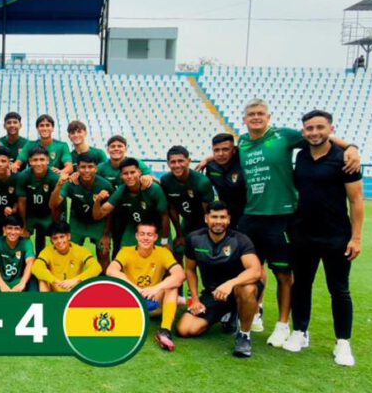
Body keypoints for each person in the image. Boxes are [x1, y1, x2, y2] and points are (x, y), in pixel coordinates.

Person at [228, 98, 360, 347]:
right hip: (252, 215)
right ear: (244, 119)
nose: (256, 117)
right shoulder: (243, 142)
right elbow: (227, 157)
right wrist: (206, 159)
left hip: (282, 216)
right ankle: (254, 312)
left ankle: (283, 325)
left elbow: (321, 139)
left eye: (260, 113)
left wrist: (351, 147)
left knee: (284, 274)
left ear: (269, 117)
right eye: (251, 114)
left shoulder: (285, 136)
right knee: (250, 269)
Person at [283, 110, 365, 366]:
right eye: (309, 128)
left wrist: (357, 238)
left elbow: (356, 200)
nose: (314, 132)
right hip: (303, 234)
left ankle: (343, 342)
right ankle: (300, 332)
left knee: (339, 290)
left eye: (320, 127)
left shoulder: (345, 159)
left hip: (336, 236)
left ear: (331, 128)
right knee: (302, 285)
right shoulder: (302, 156)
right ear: (304, 131)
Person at [176, 202, 263, 358]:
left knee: (247, 289)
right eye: (214, 217)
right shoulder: (195, 239)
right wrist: (195, 300)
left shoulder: (240, 240)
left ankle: (244, 335)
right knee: (186, 329)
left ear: (228, 220)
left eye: (222, 217)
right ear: (206, 219)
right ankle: (227, 313)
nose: (218, 221)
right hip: (214, 294)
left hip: (239, 290)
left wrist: (230, 284)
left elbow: (256, 271)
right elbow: (190, 269)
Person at [106, 220, 185, 352]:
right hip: (132, 299)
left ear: (155, 237)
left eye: (149, 234)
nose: (145, 238)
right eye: (142, 234)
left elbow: (180, 275)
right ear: (136, 236)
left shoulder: (163, 252)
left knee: (172, 287)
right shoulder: (126, 251)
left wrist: (156, 288)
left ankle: (164, 331)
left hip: (153, 299)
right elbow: (111, 270)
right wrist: (136, 289)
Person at [93, 158, 170, 258]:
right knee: (123, 257)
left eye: (132, 172)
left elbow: (164, 216)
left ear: (139, 172)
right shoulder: (121, 191)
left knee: (161, 260)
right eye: (125, 174)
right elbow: (99, 215)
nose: (129, 176)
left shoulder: (153, 188)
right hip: (134, 227)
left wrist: (165, 241)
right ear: (121, 176)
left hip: (157, 229)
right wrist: (98, 201)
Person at [50, 152, 114, 269]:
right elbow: (54, 204)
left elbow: (110, 213)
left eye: (90, 167)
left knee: (103, 254)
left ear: (96, 168)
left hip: (98, 224)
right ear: (77, 168)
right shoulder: (71, 183)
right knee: (71, 255)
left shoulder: (105, 185)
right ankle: (72, 283)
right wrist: (59, 186)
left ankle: (104, 283)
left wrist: (106, 235)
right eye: (83, 167)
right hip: (77, 222)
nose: (87, 170)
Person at [160, 145, 215, 259]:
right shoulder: (166, 180)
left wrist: (208, 233)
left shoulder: (202, 182)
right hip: (187, 223)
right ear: (168, 164)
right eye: (173, 162)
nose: (177, 165)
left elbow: (209, 212)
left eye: (181, 161)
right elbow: (172, 208)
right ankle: (178, 276)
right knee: (178, 249)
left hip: (203, 224)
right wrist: (179, 234)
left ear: (188, 161)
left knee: (203, 254)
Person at [31, 222, 101, 292]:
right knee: (42, 280)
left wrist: (76, 280)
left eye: (62, 237)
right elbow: (36, 268)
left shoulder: (80, 251)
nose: (59, 241)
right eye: (55, 238)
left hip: (74, 289)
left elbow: (97, 267)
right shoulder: (47, 251)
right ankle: (47, 301)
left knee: (88, 278)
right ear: (51, 240)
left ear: (68, 236)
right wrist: (54, 280)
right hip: (54, 290)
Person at [15, 147, 60, 255]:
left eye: (42, 159)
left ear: (48, 160)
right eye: (35, 160)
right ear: (30, 161)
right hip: (30, 212)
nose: (39, 163)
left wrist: (55, 225)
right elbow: (22, 202)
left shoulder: (54, 178)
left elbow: (57, 205)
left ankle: (42, 261)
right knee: (23, 237)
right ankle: (25, 262)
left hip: (47, 213)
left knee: (46, 237)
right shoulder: (23, 176)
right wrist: (24, 225)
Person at [0, 215, 37, 292]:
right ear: (4, 229)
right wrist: (2, 285)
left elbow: (30, 262)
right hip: (0, 280)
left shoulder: (26, 243)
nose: (13, 232)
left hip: (19, 280)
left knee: (35, 269)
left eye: (17, 229)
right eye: (9, 228)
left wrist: (22, 283)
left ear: (22, 230)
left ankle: (34, 298)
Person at [205, 134, 247, 226]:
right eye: (216, 150)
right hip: (225, 215)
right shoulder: (211, 167)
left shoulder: (243, 163)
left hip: (247, 214)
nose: (221, 154)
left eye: (225, 149)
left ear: (234, 150)